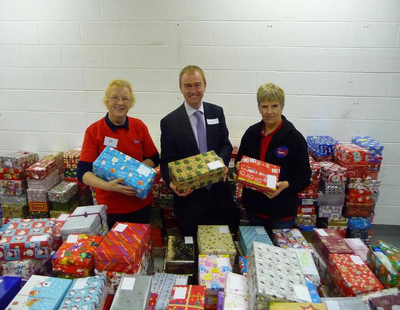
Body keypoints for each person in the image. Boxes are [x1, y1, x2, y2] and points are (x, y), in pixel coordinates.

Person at [160, 65, 237, 237]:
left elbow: (225, 144)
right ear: (180, 88)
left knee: (221, 249)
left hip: (219, 196)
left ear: (205, 86)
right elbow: (166, 160)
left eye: (197, 84)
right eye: (188, 86)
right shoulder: (170, 122)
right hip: (189, 200)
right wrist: (171, 183)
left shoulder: (216, 112)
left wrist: (221, 161)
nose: (193, 90)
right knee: (193, 250)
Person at [77, 79, 159, 229]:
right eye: (115, 97)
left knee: (139, 248)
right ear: (106, 101)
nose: (120, 103)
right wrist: (107, 186)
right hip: (111, 207)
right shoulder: (94, 131)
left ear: (130, 103)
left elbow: (154, 158)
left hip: (140, 204)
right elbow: (83, 172)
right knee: (114, 250)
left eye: (125, 99)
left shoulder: (138, 126)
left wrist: (133, 171)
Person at [235, 83, 311, 237]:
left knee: (280, 256)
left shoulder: (294, 138)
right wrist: (239, 167)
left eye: (274, 106)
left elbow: (304, 177)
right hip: (255, 209)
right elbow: (239, 160)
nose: (269, 112)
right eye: (264, 106)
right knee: (256, 250)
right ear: (258, 107)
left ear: (282, 107)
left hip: (281, 212)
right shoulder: (251, 133)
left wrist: (285, 185)